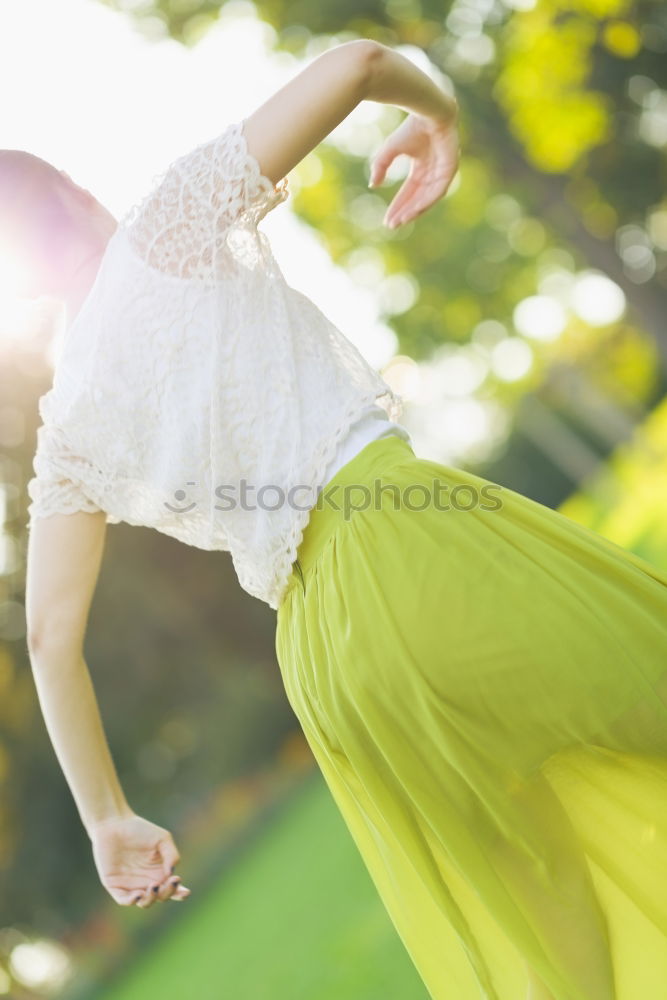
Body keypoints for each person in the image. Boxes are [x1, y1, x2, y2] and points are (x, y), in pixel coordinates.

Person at [8, 37, 667, 1000]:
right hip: (409, 544)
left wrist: (107, 815)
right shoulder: (169, 225)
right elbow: (359, 61)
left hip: (326, 662)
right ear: (75, 196)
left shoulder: (68, 431)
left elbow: (48, 637)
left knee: (543, 927)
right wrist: (435, 114)